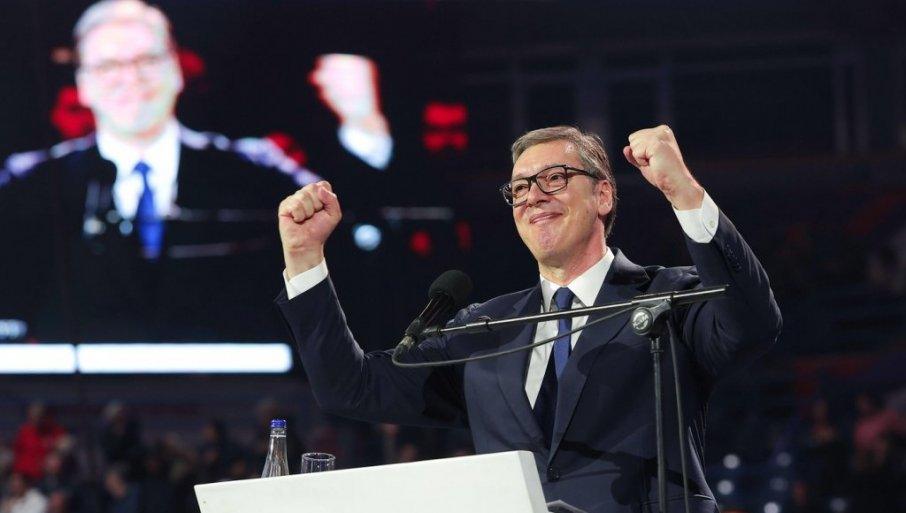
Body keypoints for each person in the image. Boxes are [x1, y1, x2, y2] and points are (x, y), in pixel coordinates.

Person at [276, 124, 782, 512]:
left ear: (603, 195)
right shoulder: (484, 328)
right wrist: (304, 259)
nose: (533, 196)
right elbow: (351, 387)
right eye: (519, 188)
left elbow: (754, 321)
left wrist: (683, 191)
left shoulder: (666, 298)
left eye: (554, 178)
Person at [0, 0, 392, 340]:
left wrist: (364, 126)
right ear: (82, 83)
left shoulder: (253, 171)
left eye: (146, 60)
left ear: (176, 69)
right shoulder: (29, 182)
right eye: (108, 65)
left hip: (242, 382)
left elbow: (353, 233)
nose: (130, 78)